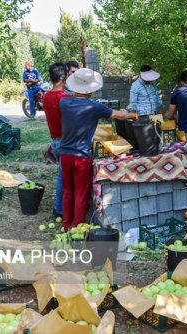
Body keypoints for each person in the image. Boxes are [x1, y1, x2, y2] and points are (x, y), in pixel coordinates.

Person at [59, 68, 136, 230]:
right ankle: (77, 227)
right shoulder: (94, 107)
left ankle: (66, 225)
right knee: (81, 193)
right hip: (82, 156)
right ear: (91, 89)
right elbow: (120, 116)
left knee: (68, 191)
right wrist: (129, 114)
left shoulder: (64, 103)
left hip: (65, 154)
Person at [42, 63, 70, 219]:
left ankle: (61, 207)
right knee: (62, 177)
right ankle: (58, 209)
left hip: (55, 141)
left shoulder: (46, 96)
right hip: (65, 142)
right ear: (64, 77)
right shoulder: (64, 99)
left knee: (62, 175)